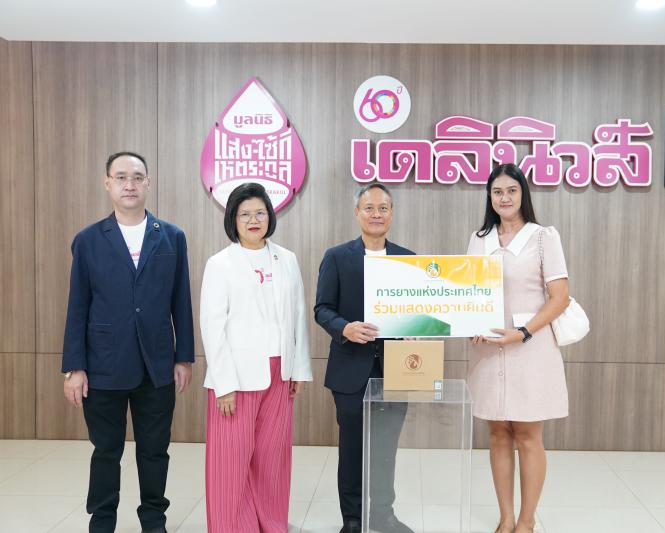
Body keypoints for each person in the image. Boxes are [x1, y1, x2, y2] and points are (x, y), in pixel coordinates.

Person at [62, 151, 194, 533]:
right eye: (120, 177)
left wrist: (183, 357)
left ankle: (153, 520)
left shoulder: (171, 237)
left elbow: (181, 300)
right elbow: (77, 306)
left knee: (155, 451)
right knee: (106, 451)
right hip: (103, 364)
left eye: (137, 177)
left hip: (157, 365)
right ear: (107, 184)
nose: (129, 184)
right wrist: (74, 367)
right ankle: (102, 521)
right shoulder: (88, 240)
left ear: (148, 182)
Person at [200, 182, 312, 533]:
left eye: (260, 213)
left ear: (270, 217)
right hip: (236, 376)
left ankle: (271, 523)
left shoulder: (287, 259)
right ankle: (233, 526)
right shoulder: (220, 264)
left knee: (271, 457)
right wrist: (223, 385)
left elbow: (298, 315)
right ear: (233, 220)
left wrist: (299, 369)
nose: (253, 220)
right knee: (230, 461)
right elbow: (212, 327)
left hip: (280, 372)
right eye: (245, 214)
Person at [468, 163, 570, 533]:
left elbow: (559, 297)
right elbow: (467, 291)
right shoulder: (479, 238)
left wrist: (522, 332)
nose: (505, 197)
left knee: (527, 435)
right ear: (489, 197)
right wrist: (470, 324)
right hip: (488, 350)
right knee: (497, 433)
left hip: (530, 347)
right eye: (497, 191)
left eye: (512, 190)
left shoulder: (543, 237)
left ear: (523, 194)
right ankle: (506, 517)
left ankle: (526, 521)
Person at [314, 184, 415, 533]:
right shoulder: (337, 257)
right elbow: (322, 309)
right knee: (352, 448)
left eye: (383, 208)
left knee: (386, 449)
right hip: (350, 369)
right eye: (369, 208)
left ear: (392, 213)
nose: (376, 214)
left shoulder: (408, 260)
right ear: (357, 213)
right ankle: (353, 519)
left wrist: (419, 326)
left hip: (396, 369)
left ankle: (383, 515)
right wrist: (344, 328)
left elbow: (419, 311)